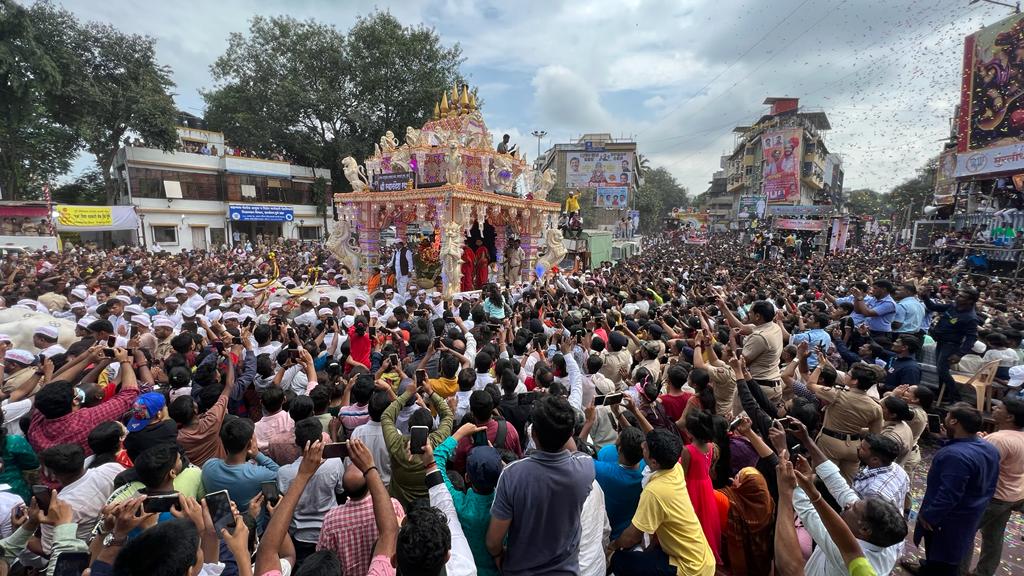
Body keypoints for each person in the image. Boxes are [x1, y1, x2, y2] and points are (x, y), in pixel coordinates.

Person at [486, 395, 595, 576]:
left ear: (533, 433)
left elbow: (493, 541)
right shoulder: (585, 468)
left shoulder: (512, 475)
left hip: (520, 569)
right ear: (570, 434)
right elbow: (573, 451)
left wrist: (498, 555)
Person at [905, 403, 1000, 576]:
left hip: (946, 520)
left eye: (948, 416)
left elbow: (949, 493)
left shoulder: (955, 455)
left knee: (942, 561)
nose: (945, 419)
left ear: (955, 421)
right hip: (971, 512)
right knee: (945, 556)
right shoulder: (989, 448)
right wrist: (945, 439)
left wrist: (930, 516)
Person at [606, 428, 716, 576]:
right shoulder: (675, 467)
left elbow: (632, 536)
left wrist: (613, 545)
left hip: (690, 569)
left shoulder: (655, 491)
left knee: (618, 559)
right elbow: (662, 442)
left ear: (654, 462)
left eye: (645, 447)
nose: (642, 445)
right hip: (701, 557)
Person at [960, 398, 1024, 576]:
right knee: (993, 537)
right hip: (1013, 495)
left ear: (1009, 417)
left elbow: (979, 468)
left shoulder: (998, 439)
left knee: (963, 532)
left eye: (1000, 407)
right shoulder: (1016, 437)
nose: (994, 408)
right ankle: (984, 572)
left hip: (993, 496)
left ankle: (958, 570)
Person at [276, 417, 344, 565]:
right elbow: (340, 491)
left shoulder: (284, 473)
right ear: (321, 438)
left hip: (300, 537)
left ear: (297, 444)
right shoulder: (335, 463)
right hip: (329, 531)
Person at [808, 362, 884, 482]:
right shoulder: (875, 406)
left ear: (855, 381)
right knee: (847, 483)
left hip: (830, 442)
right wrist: (857, 430)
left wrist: (820, 366)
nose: (845, 376)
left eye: (848, 374)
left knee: (821, 480)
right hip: (855, 446)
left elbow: (811, 384)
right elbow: (875, 434)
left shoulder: (836, 394)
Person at [921, 286, 980, 404]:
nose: (957, 297)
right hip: (941, 342)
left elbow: (972, 337)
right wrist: (925, 296)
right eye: (958, 294)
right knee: (940, 370)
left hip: (951, 345)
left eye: (962, 296)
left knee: (942, 370)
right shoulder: (953, 306)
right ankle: (944, 395)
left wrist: (960, 354)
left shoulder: (970, 317)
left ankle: (956, 398)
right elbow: (932, 307)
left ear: (970, 301)